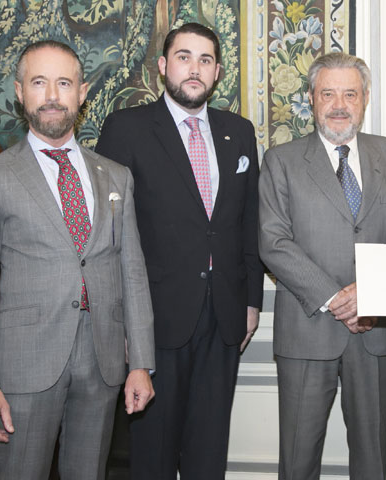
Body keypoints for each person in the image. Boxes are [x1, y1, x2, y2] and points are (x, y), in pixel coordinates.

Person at [0, 40, 155, 479]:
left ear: (81, 92)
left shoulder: (115, 175)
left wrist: (140, 362)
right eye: (39, 83)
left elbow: (133, 273)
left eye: (63, 83)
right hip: (24, 366)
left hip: (103, 364)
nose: (51, 96)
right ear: (20, 92)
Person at [95, 23, 263, 479]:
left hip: (224, 314)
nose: (195, 68)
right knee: (154, 454)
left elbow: (250, 222)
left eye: (205, 60)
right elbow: (108, 234)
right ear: (164, 66)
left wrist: (251, 302)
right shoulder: (126, 129)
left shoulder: (238, 132)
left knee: (209, 451)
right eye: (184, 57)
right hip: (153, 319)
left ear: (217, 72)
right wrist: (122, 324)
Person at [258, 52, 386, 479]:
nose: (339, 104)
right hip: (307, 332)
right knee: (298, 457)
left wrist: (371, 292)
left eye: (350, 93)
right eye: (328, 93)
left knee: (371, 460)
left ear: (365, 99)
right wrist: (336, 298)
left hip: (376, 327)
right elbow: (273, 242)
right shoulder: (281, 161)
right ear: (311, 98)